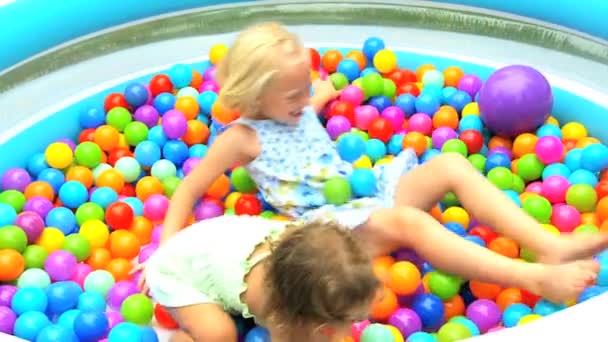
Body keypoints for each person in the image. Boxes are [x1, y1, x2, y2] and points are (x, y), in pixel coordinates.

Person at [137, 21, 605, 340]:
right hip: (325, 227)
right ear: (255, 95)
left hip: (363, 191)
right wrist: (164, 246)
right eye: (293, 94)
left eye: (306, 88)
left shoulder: (298, 107)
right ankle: (533, 276)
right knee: (408, 224)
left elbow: (313, 102)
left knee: (450, 166)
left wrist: (319, 93)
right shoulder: (241, 138)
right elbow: (190, 187)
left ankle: (547, 243)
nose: (304, 99)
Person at [144, 215, 381, 342]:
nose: (353, 326)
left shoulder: (303, 248)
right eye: (345, 320)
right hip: (177, 270)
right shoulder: (272, 306)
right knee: (219, 334)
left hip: (212, 239)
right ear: (299, 317)